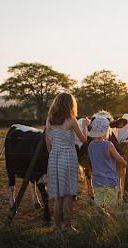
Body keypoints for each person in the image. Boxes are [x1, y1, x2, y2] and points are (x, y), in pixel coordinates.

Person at [45, 92, 89, 233]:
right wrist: (86, 126)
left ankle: (56, 227)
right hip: (68, 157)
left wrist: (55, 153)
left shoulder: (49, 120)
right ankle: (68, 227)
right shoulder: (71, 120)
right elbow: (83, 140)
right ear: (70, 105)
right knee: (69, 194)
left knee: (58, 196)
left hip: (54, 158)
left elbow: (48, 145)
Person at [87, 117, 126, 213]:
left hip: (96, 180)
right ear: (106, 130)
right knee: (110, 203)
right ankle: (109, 221)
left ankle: (98, 219)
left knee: (98, 202)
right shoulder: (109, 145)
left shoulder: (90, 145)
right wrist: (125, 163)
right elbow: (118, 159)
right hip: (110, 180)